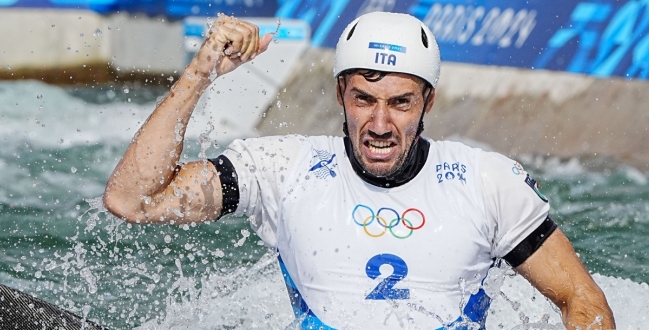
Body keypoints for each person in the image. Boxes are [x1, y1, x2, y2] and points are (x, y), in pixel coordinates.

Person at [103, 12, 615, 330]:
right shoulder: (283, 168)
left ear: (427, 102)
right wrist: (200, 74)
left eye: (400, 103)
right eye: (364, 99)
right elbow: (133, 200)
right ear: (340, 96)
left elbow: (582, 301)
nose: (380, 123)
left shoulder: (487, 182)